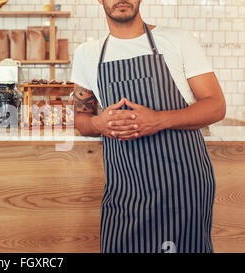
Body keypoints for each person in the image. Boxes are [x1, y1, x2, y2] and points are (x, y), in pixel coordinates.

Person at [71, 0, 226, 253]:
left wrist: (158, 120)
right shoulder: (87, 53)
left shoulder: (177, 40)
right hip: (125, 189)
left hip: (183, 187)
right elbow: (81, 120)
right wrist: (98, 123)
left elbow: (216, 107)